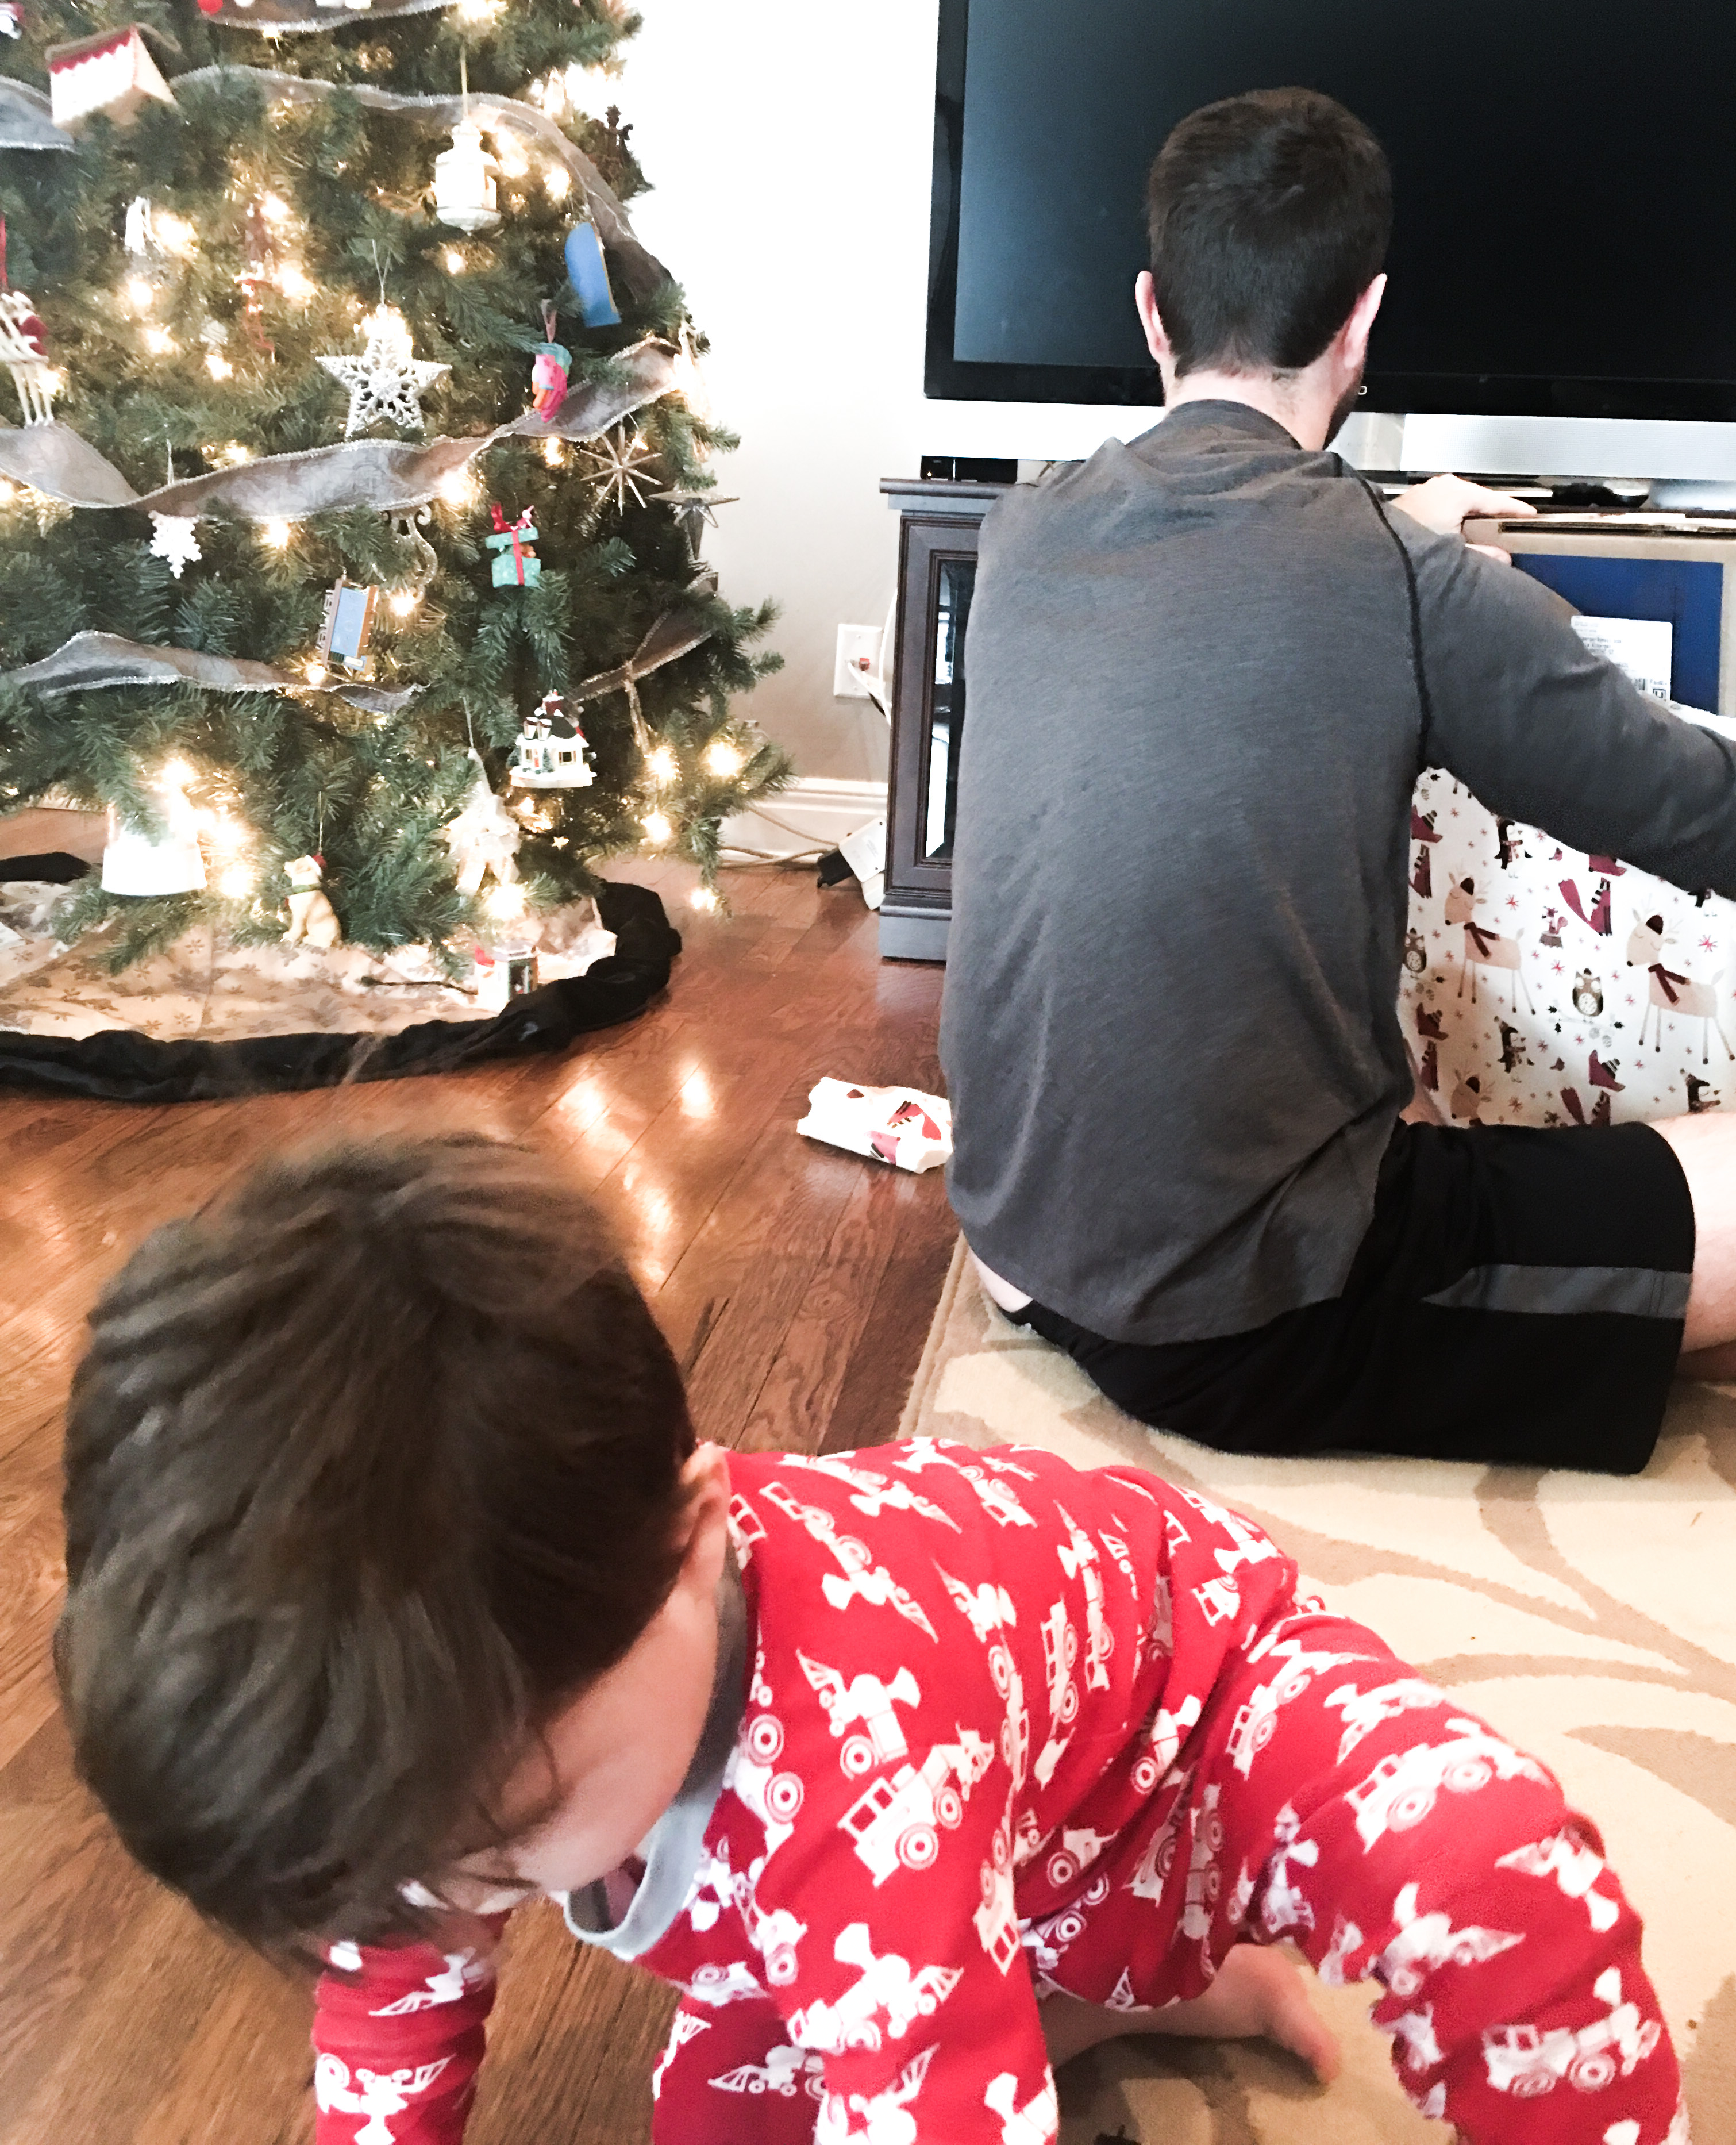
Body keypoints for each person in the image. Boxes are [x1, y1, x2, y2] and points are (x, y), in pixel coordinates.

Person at [56, 1136, 1684, 2145]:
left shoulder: (859, 1777)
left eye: (505, 1840)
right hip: (989, 1859)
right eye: (422, 1878)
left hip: (1199, 1717)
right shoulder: (426, 1771)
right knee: (720, 2112)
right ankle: (1106, 1988)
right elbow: (392, 1999)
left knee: (1489, 1869)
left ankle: (1120, 1967)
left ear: (693, 1540)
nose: (461, 1911)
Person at [941, 86, 1736, 1474]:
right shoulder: (1408, 585)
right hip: (1241, 1319)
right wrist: (1419, 558)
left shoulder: (1019, 531)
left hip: (1017, 1239)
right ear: (1362, 321)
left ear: (1149, 310)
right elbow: (1695, 810)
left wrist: (1391, 534)